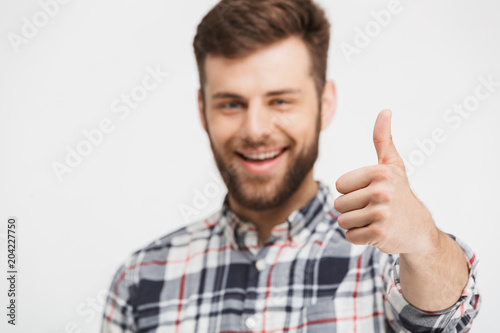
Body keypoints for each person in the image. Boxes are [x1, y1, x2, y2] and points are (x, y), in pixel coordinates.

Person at [101, 0, 481, 332]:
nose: (255, 130)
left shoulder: (388, 258)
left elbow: (446, 314)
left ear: (324, 103)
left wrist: (422, 242)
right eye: (231, 104)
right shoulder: (141, 280)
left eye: (280, 101)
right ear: (203, 110)